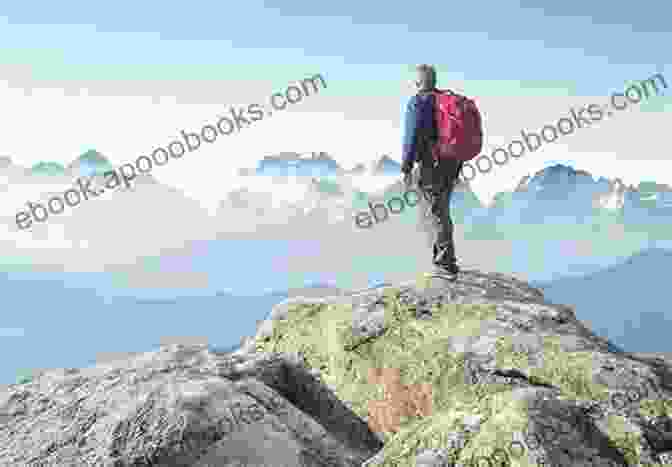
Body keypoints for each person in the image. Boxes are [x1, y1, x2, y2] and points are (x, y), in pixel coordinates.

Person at [401, 64, 466, 277]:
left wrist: (407, 168)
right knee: (442, 211)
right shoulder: (445, 100)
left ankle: (444, 263)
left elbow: (411, 137)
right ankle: (445, 259)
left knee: (436, 213)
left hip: (431, 165)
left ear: (419, 82)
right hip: (452, 164)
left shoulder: (418, 102)